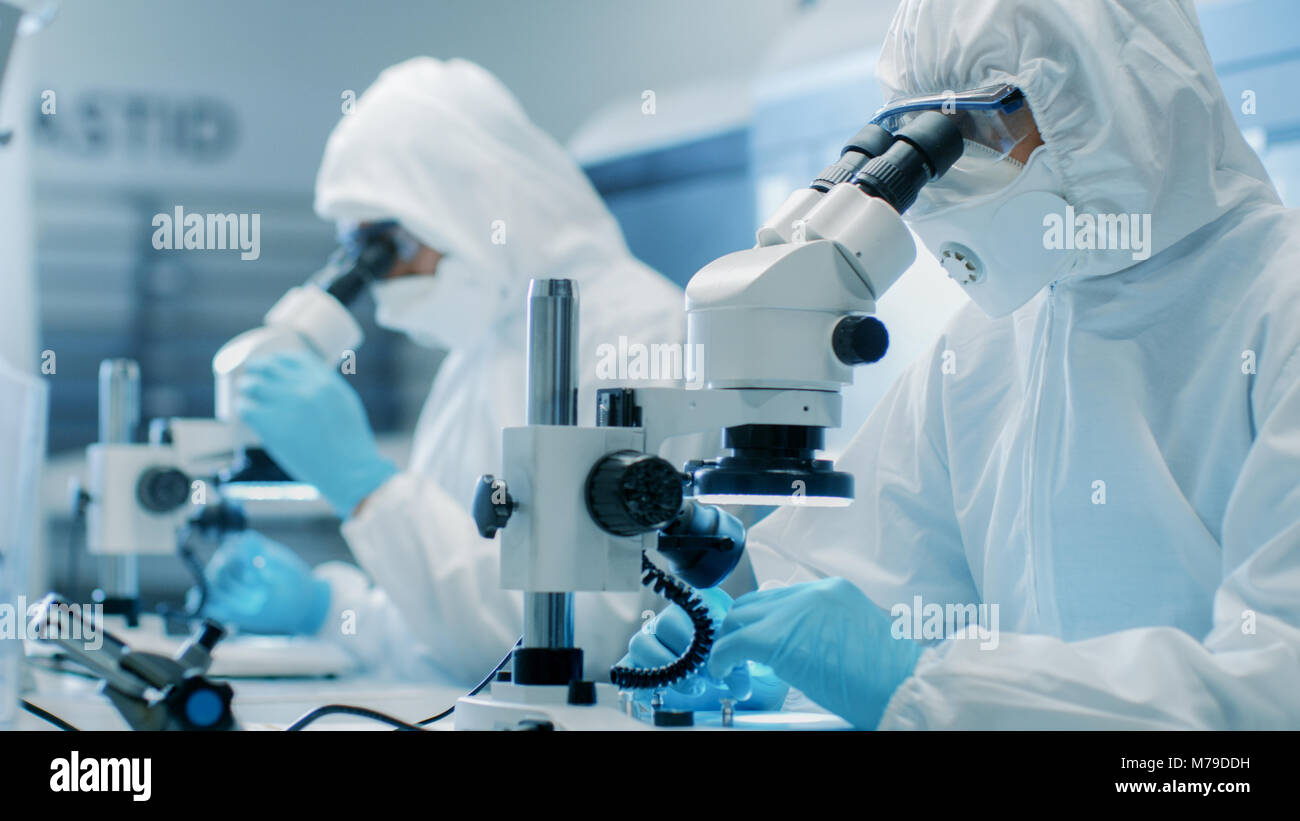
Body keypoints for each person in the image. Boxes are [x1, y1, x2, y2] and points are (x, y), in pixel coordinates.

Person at [629, 0, 1300, 729]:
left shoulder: (1278, 308)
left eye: (979, 126)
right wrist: (758, 656)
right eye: (921, 135)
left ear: (1115, 93)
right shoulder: (985, 346)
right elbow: (863, 586)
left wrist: (920, 683)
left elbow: (1273, 689)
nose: (946, 178)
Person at [199, 57, 708, 683]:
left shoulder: (638, 335)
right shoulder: (477, 360)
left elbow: (586, 641)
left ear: (471, 202)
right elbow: (440, 641)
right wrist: (327, 609)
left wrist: (371, 492)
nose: (383, 279)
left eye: (390, 247)